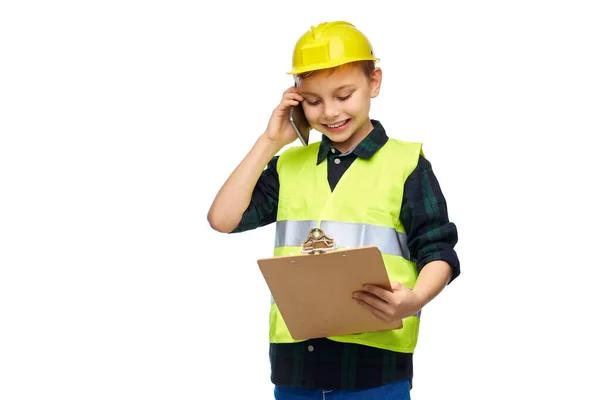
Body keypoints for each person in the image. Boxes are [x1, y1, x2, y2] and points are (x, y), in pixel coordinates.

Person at [207, 21, 460, 400]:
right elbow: (222, 219)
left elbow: (439, 251)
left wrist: (416, 298)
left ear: (374, 82)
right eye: (312, 101)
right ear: (295, 98)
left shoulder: (406, 164)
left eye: (344, 95)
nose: (329, 112)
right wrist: (269, 141)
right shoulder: (289, 166)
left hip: (374, 369)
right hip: (296, 369)